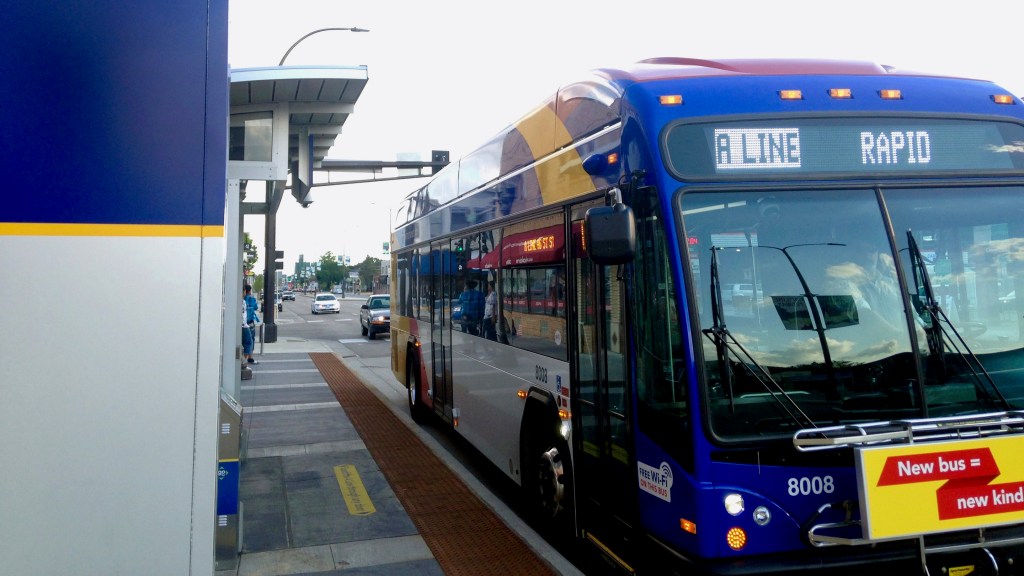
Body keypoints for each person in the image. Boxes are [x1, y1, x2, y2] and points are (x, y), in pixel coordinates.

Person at [243, 284, 259, 364]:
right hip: (250, 322)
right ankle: (250, 357)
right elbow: (256, 307)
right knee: (251, 340)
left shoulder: (242, 299)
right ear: (249, 291)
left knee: (244, 340)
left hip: (243, 323)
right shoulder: (252, 299)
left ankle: (244, 358)